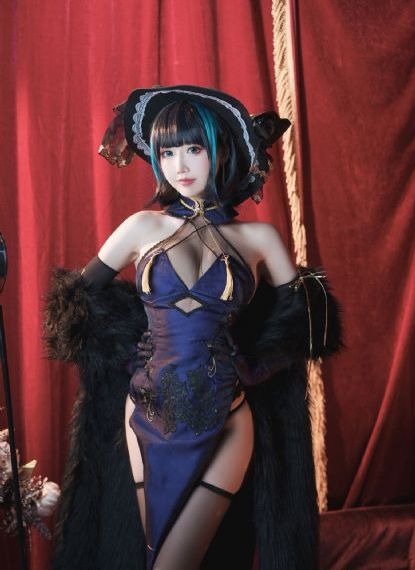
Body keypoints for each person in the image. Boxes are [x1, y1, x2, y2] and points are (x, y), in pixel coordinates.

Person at [43, 85, 344, 570]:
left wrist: (255, 363)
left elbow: (308, 322)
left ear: (219, 151)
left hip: (228, 419)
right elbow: (72, 302)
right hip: (146, 415)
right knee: (154, 558)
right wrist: (126, 348)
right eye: (167, 152)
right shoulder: (141, 227)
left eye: (193, 149)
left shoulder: (260, 238)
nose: (179, 165)